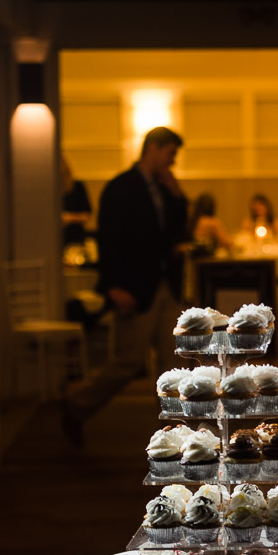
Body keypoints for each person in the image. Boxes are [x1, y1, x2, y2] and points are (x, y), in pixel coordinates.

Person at [62, 127, 189, 446]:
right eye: (170, 153)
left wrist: (177, 196)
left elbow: (178, 232)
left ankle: (173, 432)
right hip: (135, 286)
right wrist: (113, 286)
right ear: (154, 148)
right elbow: (109, 240)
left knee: (173, 362)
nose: (172, 161)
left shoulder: (164, 189)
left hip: (166, 285)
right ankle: (76, 407)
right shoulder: (121, 187)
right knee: (128, 362)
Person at [61, 155, 92, 248]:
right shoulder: (48, 191)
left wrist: (68, 218)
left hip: (74, 240)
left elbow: (86, 215)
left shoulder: (77, 187)